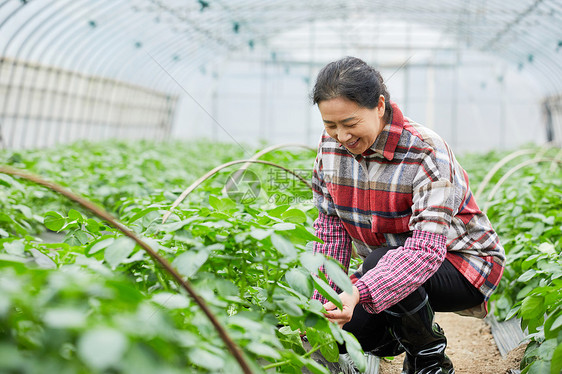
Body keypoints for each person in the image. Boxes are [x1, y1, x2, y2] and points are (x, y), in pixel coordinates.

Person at [310, 56, 505, 374]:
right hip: (390, 265)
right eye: (330, 125)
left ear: (379, 106)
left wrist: (358, 290)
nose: (341, 136)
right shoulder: (329, 149)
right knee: (345, 332)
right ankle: (399, 335)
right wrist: (324, 298)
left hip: (463, 265)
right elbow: (330, 227)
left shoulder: (425, 151)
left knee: (381, 263)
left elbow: (425, 252)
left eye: (350, 123)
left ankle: (430, 360)